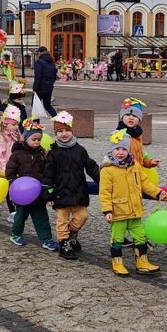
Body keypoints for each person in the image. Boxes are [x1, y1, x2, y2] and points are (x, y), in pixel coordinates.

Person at [99, 129, 167, 276]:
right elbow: (104, 192)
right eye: (117, 149)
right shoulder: (107, 170)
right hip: (118, 211)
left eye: (124, 149)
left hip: (135, 210)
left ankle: (142, 261)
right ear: (111, 150)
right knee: (117, 238)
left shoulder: (134, 165)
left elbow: (145, 183)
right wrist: (107, 210)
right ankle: (117, 262)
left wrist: (158, 193)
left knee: (140, 235)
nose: (120, 152)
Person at [43, 111, 101, 260]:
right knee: (62, 220)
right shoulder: (53, 153)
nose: (64, 134)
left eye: (67, 130)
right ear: (56, 134)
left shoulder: (80, 150)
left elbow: (91, 166)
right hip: (61, 193)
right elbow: (48, 175)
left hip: (79, 192)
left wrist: (102, 179)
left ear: (72, 131)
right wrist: (48, 194)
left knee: (82, 216)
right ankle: (64, 243)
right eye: (60, 131)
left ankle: (71, 234)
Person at [5, 119, 57, 250]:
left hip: (37, 191)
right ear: (26, 138)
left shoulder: (42, 154)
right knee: (21, 215)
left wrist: (47, 189)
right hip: (22, 192)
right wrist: (13, 183)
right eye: (34, 139)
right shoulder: (17, 154)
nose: (37, 142)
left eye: (39, 139)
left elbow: (47, 172)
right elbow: (10, 171)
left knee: (41, 216)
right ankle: (16, 234)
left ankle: (46, 238)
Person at [0, 106, 22, 220]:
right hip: (4, 167)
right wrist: (6, 168)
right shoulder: (0, 135)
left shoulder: (15, 133)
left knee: (10, 188)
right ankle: (9, 210)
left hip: (14, 166)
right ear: (5, 124)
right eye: (13, 124)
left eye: (17, 124)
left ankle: (12, 211)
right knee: (6, 188)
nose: (16, 127)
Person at [115, 98, 158, 170]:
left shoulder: (138, 134)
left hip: (137, 173)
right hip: (126, 173)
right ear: (122, 117)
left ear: (139, 120)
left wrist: (149, 162)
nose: (131, 118)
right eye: (128, 115)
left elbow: (140, 156)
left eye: (135, 116)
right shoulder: (119, 135)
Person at [32, 46, 58, 117]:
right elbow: (54, 75)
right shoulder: (51, 62)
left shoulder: (39, 62)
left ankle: (36, 125)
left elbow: (38, 76)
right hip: (49, 87)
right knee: (48, 106)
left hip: (40, 88)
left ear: (40, 53)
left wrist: (34, 88)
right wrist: (50, 84)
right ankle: (58, 121)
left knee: (35, 106)